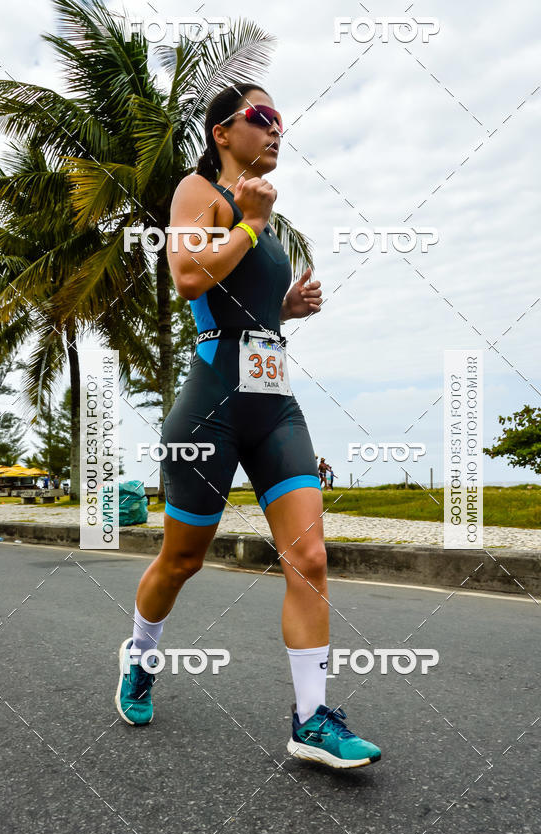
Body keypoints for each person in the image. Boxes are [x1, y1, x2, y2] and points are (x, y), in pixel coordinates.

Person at [114, 83, 381, 769]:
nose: (276, 130)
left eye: (282, 122)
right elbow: (186, 276)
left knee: (311, 557)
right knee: (183, 560)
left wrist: (285, 308)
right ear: (220, 132)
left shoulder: (261, 210)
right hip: (211, 407)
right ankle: (140, 654)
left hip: (274, 401)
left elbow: (243, 305)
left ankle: (311, 718)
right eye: (262, 118)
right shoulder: (198, 193)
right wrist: (251, 226)